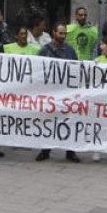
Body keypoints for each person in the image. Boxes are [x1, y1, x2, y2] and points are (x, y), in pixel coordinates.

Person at [36, 24, 82, 163]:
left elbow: (76, 69)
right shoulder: (45, 50)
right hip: (50, 93)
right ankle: (45, 150)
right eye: (60, 33)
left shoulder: (70, 50)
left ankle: (70, 152)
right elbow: (37, 69)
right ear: (54, 32)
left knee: (69, 121)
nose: (62, 36)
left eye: (64, 34)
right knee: (49, 121)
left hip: (66, 93)